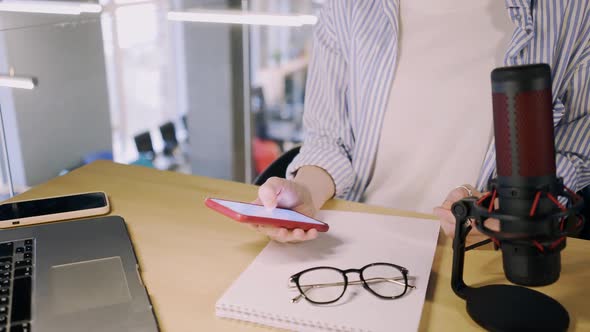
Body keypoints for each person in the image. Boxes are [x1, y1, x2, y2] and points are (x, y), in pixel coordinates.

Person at [251, 0, 590, 243]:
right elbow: (327, 138)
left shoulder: (572, 14)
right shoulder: (346, 8)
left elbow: (575, 150)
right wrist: (307, 194)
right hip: (357, 244)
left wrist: (498, 207)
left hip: (485, 255)